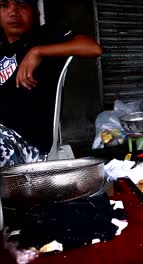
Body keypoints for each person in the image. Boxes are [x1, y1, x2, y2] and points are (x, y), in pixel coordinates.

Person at [0, 0, 102, 167]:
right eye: (4, 5)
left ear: (36, 12)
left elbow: (92, 48)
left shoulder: (45, 37)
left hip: (28, 146)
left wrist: (38, 52)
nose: (13, 12)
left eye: (21, 4)